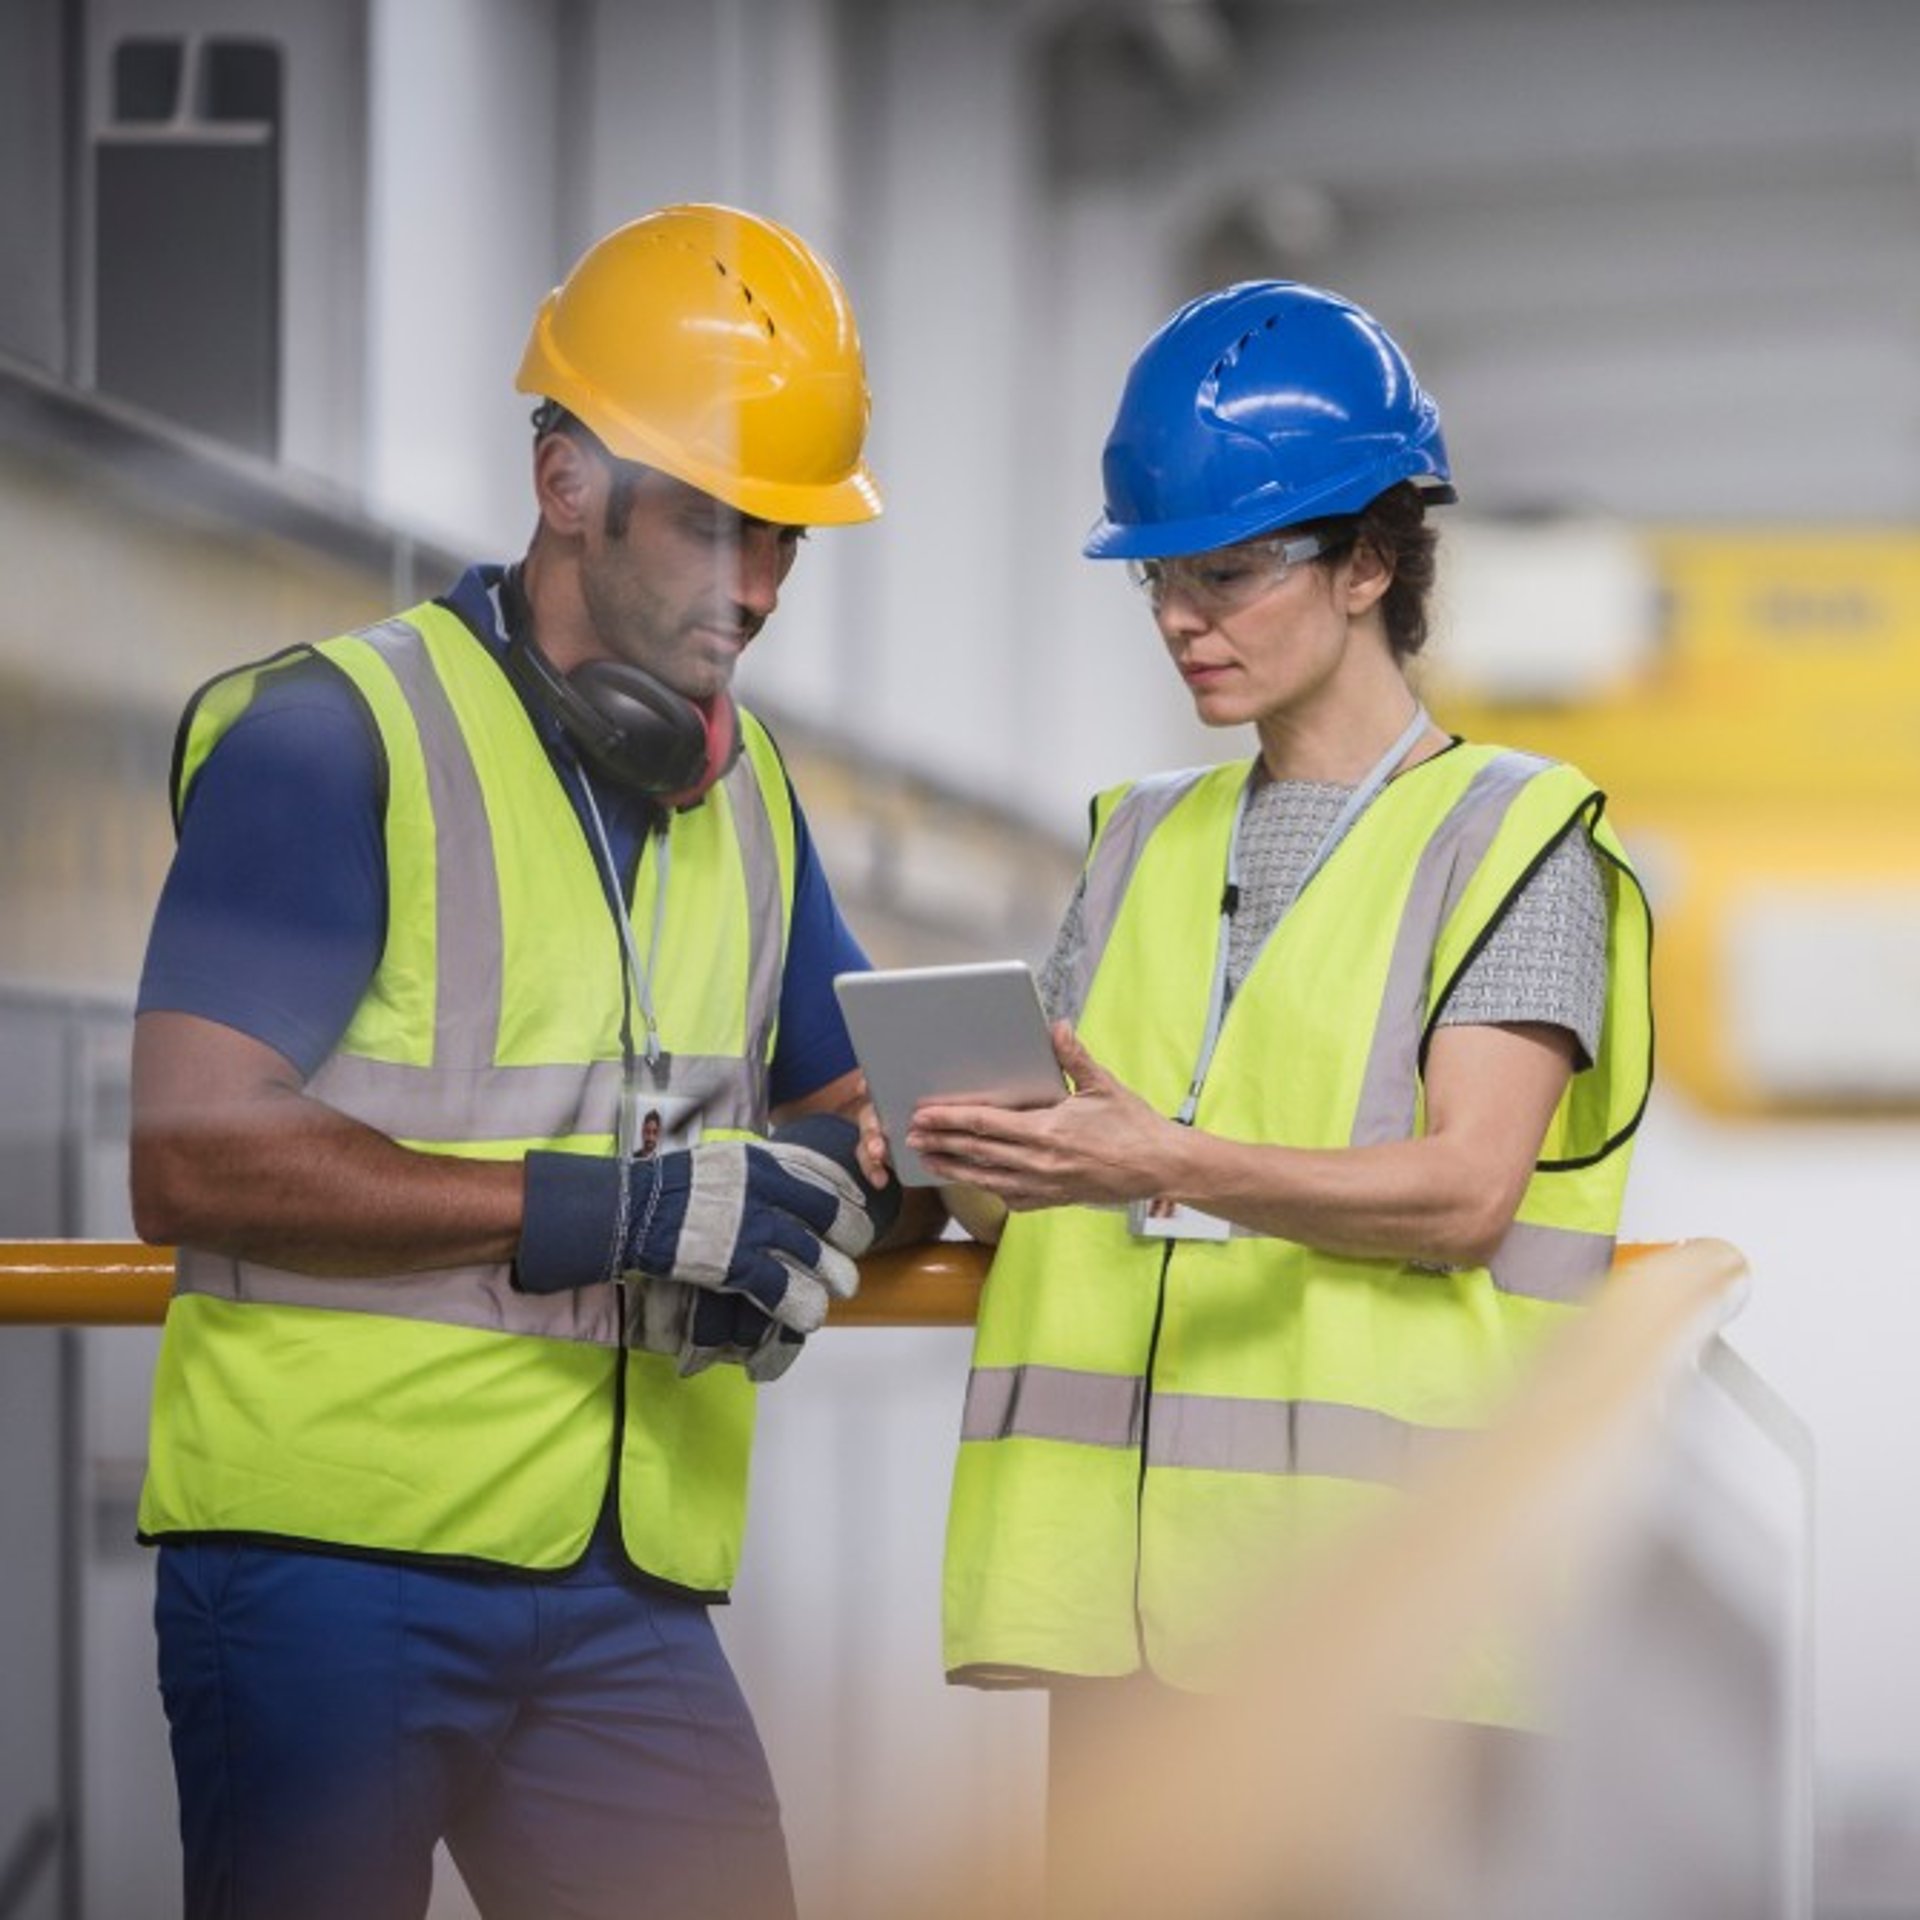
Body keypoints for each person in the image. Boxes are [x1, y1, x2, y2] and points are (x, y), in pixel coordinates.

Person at [129, 204, 918, 1920]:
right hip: (329, 1562)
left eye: (789, 538)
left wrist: (866, 1166)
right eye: (720, 521)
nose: (763, 587)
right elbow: (189, 1155)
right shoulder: (336, 740)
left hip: (625, 1582)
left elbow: (850, 1092)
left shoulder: (749, 791)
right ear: (567, 479)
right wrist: (624, 1214)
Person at [909, 282, 1653, 1879]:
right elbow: (1059, 1172)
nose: (1184, 616)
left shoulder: (1515, 843)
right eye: (1161, 576)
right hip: (1124, 1622)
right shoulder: (1135, 839)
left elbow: (1466, 1195)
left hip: (1372, 1630)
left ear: (1370, 559)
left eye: (1229, 572)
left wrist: (1155, 1158)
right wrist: (967, 1149)